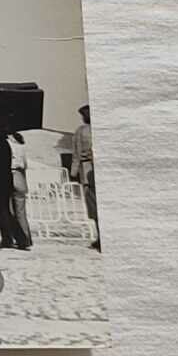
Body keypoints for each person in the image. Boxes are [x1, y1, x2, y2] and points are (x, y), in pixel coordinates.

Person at [71, 103, 99, 250]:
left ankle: (99, 237)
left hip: (87, 169)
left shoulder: (81, 131)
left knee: (94, 206)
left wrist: (73, 172)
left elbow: (76, 153)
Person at [8, 130, 33, 250]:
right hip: (21, 178)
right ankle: (26, 238)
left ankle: (14, 237)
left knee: (10, 211)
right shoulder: (22, 147)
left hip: (10, 176)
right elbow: (25, 165)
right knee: (21, 212)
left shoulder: (8, 144)